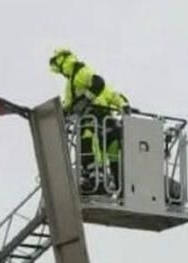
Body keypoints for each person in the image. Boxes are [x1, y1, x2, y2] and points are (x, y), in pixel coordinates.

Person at [47, 48, 130, 196]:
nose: (60, 72)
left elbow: (98, 83)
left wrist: (85, 101)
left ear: (62, 61)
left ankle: (98, 181)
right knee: (109, 155)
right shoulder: (72, 83)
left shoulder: (79, 72)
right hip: (107, 123)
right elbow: (112, 95)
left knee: (89, 147)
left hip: (94, 120)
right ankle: (115, 186)